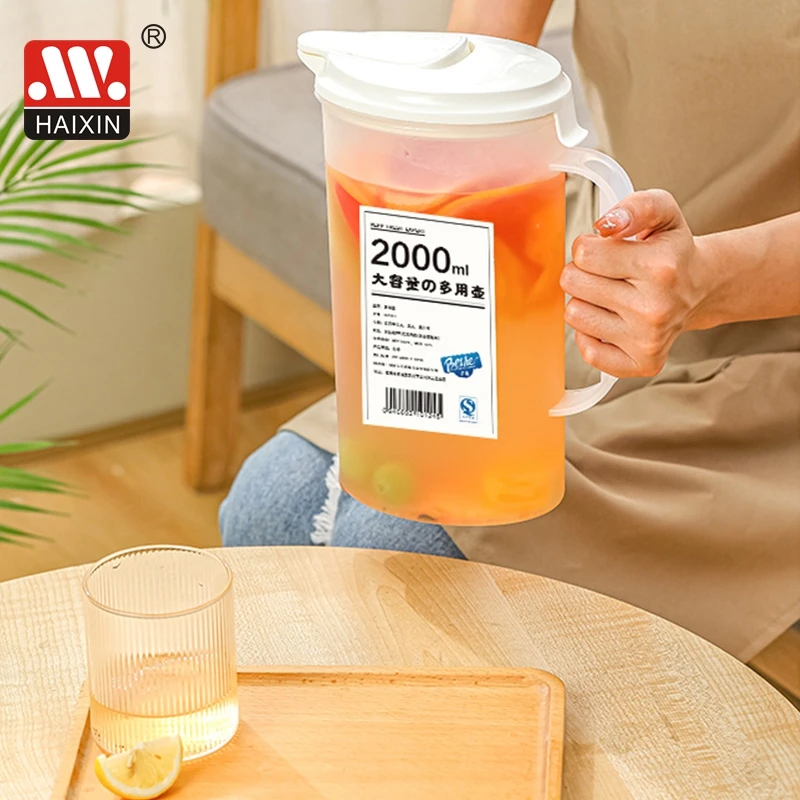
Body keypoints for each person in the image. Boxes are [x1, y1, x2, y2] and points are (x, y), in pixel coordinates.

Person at [220, 0, 800, 662]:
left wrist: (706, 281)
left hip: (772, 356)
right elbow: (477, 60)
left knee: (412, 561)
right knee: (269, 507)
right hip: (585, 283)